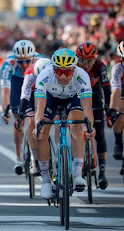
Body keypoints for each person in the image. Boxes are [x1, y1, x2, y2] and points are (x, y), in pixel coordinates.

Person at [33, 48, 95, 199]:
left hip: (72, 98)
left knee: (77, 125)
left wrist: (90, 127)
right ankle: (46, 181)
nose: (62, 76)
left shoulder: (82, 76)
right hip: (50, 98)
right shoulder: (44, 76)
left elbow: (87, 106)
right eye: (58, 71)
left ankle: (78, 174)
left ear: (74, 70)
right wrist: (37, 126)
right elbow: (39, 108)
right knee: (42, 132)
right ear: (52, 68)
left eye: (67, 72)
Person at [0, 40, 42, 175]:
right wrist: (6, 110)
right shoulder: (8, 64)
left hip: (34, 83)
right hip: (17, 84)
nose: (24, 65)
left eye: (27, 61)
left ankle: (34, 153)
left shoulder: (40, 62)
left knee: (33, 120)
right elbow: (5, 90)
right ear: (15, 59)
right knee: (19, 121)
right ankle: (18, 159)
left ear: (33, 58)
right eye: (20, 62)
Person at [76, 42, 110, 189]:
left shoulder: (99, 66)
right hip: (78, 99)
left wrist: (109, 109)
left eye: (90, 61)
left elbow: (107, 89)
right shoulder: (74, 67)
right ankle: (76, 166)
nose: (86, 64)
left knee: (100, 133)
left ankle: (102, 171)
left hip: (95, 98)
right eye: (83, 60)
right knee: (76, 132)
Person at [16, 58, 51, 175]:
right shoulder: (30, 74)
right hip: (32, 94)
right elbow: (25, 95)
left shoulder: (53, 74)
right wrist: (21, 112)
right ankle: (34, 158)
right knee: (31, 121)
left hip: (49, 94)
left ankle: (57, 158)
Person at [107, 40, 124, 176]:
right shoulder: (117, 68)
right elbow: (116, 91)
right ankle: (118, 143)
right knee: (120, 112)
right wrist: (112, 111)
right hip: (121, 91)